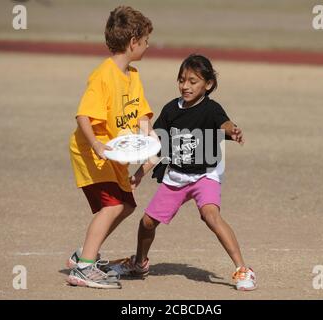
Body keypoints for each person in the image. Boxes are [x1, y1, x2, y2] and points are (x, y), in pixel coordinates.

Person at [112, 54, 257, 291]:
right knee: (147, 223)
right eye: (182, 80)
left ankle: (243, 269)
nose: (185, 86)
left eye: (193, 81)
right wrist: (139, 174)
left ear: (208, 85)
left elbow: (225, 124)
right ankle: (139, 263)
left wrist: (234, 130)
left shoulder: (211, 109)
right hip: (176, 177)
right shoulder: (171, 110)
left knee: (210, 215)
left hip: (204, 175)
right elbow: (158, 147)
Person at [66, 5, 155, 289]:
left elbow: (141, 114)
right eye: (146, 41)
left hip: (115, 156)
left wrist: (149, 142)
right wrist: (97, 145)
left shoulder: (134, 75)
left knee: (126, 205)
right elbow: (83, 115)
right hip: (93, 153)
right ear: (133, 42)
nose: (148, 45)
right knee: (113, 205)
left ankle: (83, 255)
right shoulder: (103, 75)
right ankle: (84, 268)